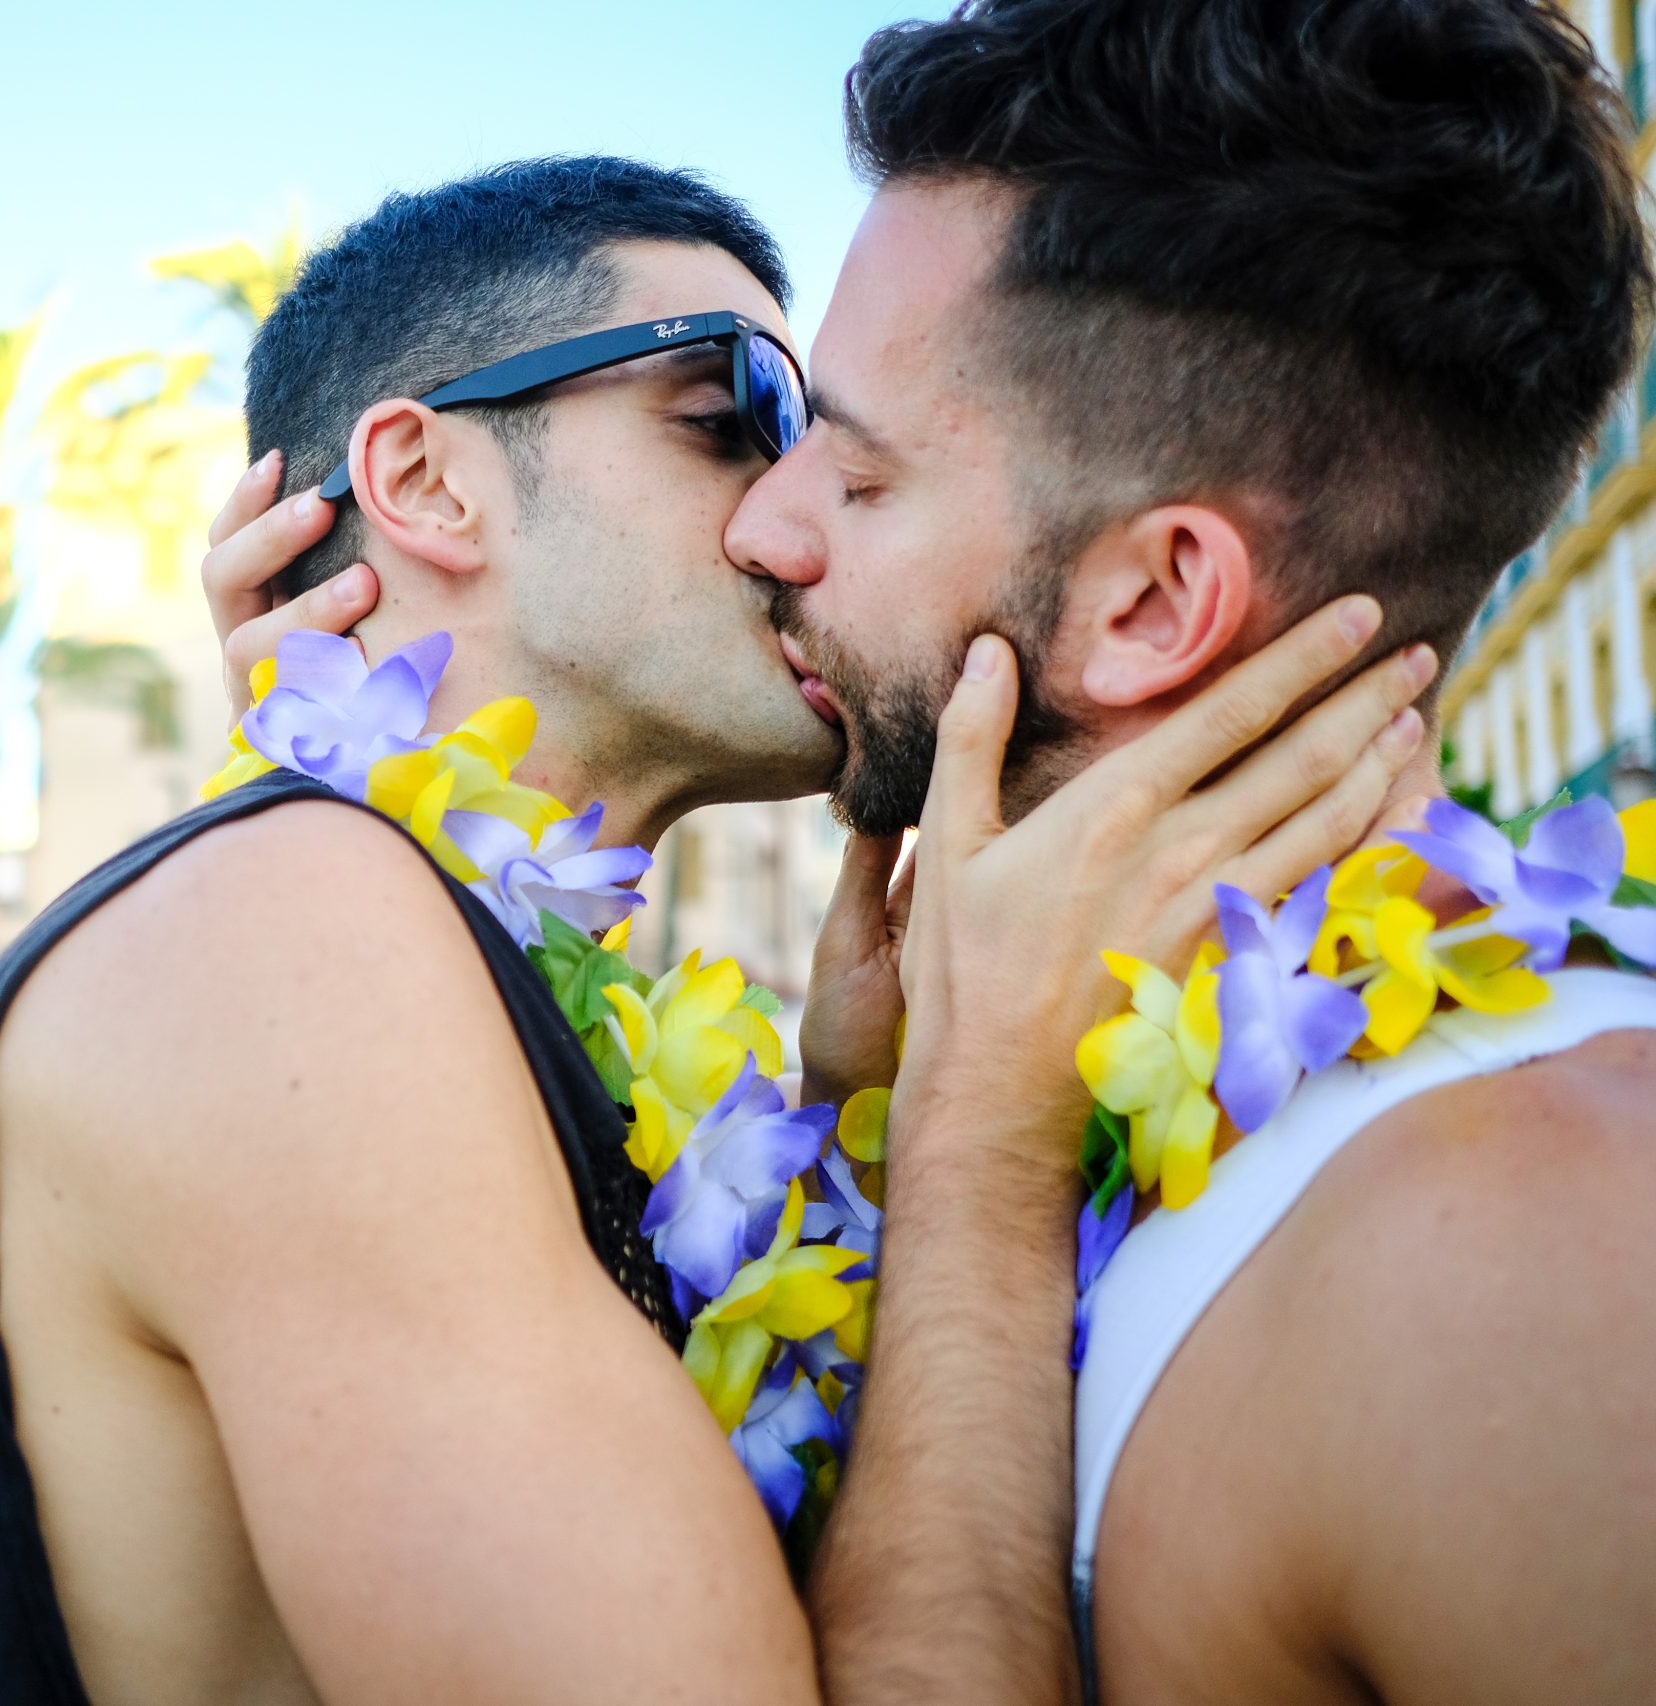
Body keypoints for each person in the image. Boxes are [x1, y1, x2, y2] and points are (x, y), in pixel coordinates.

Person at [0, 154, 1430, 1704]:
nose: (794, 512)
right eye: (736, 414)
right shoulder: (289, 940)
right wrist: (983, 1132)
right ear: (427, 483)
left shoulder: (421, 957)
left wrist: (859, 1114)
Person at [218, 4, 1656, 1699]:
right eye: (745, 424)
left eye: (857, 470)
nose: (766, 523)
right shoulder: (1071, 1107)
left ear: (1153, 603)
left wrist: (978, 1146)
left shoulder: (1539, 1251)